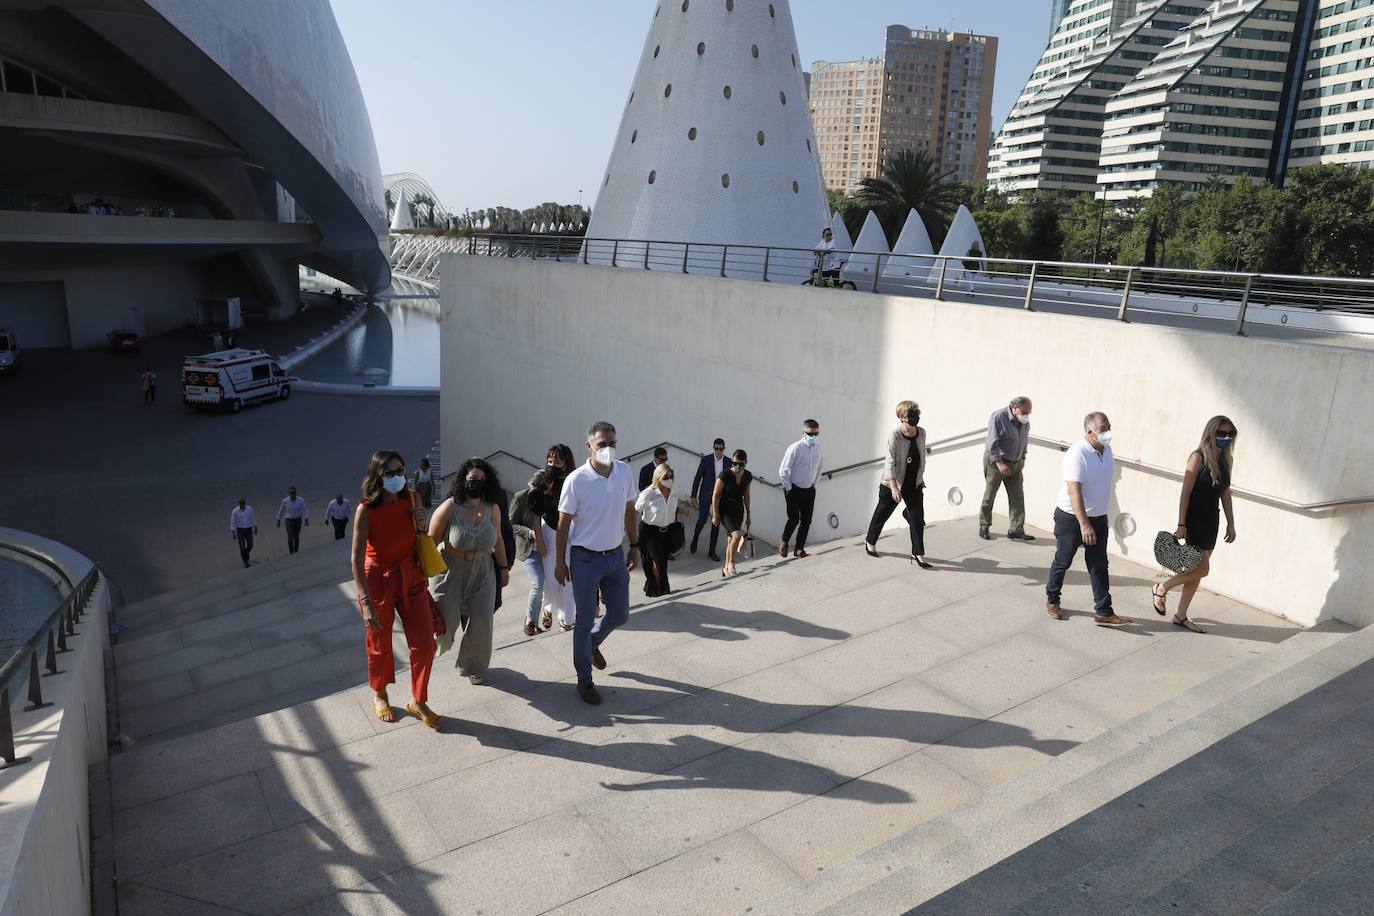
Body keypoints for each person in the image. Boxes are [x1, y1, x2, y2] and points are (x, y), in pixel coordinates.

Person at [350, 450, 438, 728]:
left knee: (425, 643)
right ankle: (380, 694)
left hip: (410, 574)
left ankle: (418, 699)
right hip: (378, 579)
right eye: (390, 473)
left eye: (401, 471)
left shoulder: (412, 498)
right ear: (377, 476)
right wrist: (365, 602)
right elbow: (355, 558)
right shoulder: (366, 509)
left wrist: (421, 524)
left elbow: (420, 538)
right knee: (379, 644)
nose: (398, 477)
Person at [554, 421, 638, 705]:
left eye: (612, 443)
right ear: (589, 446)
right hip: (585, 559)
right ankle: (584, 679)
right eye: (602, 444)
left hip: (614, 556)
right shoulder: (576, 480)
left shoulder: (624, 471)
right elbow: (563, 524)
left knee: (620, 614)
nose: (608, 448)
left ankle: (591, 645)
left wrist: (634, 546)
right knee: (584, 619)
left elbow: (629, 510)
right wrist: (560, 562)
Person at [1045, 413, 1132, 627]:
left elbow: (1105, 484)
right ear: (1090, 431)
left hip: (1099, 518)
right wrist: (1084, 524)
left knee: (1099, 565)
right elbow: (1074, 492)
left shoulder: (1107, 450)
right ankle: (1052, 599)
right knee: (1063, 561)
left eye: (1109, 426)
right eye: (1104, 428)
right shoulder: (1076, 454)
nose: (1108, 431)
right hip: (1071, 519)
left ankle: (1104, 612)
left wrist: (1101, 516)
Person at [1152, 416, 1238, 634]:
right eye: (1221, 434)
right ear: (1211, 433)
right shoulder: (1198, 458)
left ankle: (1181, 616)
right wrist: (1181, 524)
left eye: (1230, 434)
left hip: (1212, 519)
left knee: (1197, 570)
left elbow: (1225, 494)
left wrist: (1231, 523)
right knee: (1202, 568)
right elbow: (1185, 492)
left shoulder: (1227, 460)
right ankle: (1162, 588)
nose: (1226, 438)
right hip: (1195, 519)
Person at [428, 458, 509, 685]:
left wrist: (503, 568)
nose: (477, 484)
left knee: (483, 621)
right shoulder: (449, 507)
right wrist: (421, 574)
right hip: (450, 569)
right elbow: (430, 543)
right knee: (446, 622)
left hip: (483, 570)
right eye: (473, 479)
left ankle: (473, 666)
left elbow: (499, 540)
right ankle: (434, 649)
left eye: (482, 480)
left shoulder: (492, 508)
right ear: (464, 480)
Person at [864, 400, 933, 568]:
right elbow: (890, 462)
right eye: (912, 414)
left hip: (914, 483)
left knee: (917, 518)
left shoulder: (922, 433)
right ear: (902, 418)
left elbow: (920, 455)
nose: (916, 416)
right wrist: (894, 487)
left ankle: (918, 553)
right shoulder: (895, 436)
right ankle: (870, 542)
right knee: (882, 514)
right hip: (893, 483)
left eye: (917, 413)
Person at [534, 444, 577, 631]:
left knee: (568, 578)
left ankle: (566, 617)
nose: (553, 464)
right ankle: (548, 607)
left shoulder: (575, 479)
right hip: (550, 532)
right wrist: (539, 540)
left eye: (558, 460)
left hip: (572, 533)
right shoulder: (543, 481)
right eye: (550, 460)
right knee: (551, 580)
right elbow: (535, 513)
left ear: (566, 461)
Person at [980, 396, 1035, 541]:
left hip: (1015, 464)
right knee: (990, 495)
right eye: (1024, 412)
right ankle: (984, 525)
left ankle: (1016, 530)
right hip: (996, 463)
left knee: (1017, 496)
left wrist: (1023, 457)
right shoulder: (998, 417)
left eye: (1029, 413)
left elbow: (1024, 440)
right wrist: (1000, 463)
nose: (1026, 416)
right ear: (1014, 408)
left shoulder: (1024, 421)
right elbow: (991, 443)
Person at [636, 463, 684, 597]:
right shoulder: (649, 493)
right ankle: (661, 589)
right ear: (658, 477)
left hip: (666, 531)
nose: (669, 479)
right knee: (659, 562)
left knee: (662, 563)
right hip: (649, 531)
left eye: (671, 476)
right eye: (666, 477)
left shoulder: (674, 491)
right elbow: (636, 510)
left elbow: (672, 508)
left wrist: (683, 511)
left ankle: (653, 587)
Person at [779, 419, 824, 558]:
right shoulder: (795, 448)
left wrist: (814, 485)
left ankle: (799, 549)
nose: (813, 437)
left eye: (816, 434)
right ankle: (784, 540)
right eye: (810, 434)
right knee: (793, 519)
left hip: (809, 490)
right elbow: (783, 470)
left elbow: (820, 467)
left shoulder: (818, 448)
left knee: (807, 521)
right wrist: (788, 487)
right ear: (803, 433)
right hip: (794, 489)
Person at [511, 472, 548, 637]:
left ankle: (538, 618)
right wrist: (529, 532)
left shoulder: (549, 498)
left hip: (547, 549)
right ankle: (530, 621)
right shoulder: (520, 497)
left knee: (546, 584)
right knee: (538, 582)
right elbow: (511, 524)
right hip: (528, 549)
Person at [711, 449, 753, 578]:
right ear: (732, 461)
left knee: (731, 540)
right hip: (725, 508)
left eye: (741, 464)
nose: (737, 466)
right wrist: (715, 513)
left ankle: (725, 568)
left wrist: (749, 513)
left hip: (738, 509)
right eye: (735, 463)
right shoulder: (724, 475)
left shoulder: (747, 475)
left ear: (745, 463)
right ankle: (732, 563)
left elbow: (746, 495)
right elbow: (716, 495)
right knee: (736, 535)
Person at [690, 438, 727, 560]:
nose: (718, 451)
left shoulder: (728, 462)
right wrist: (693, 496)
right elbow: (697, 478)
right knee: (702, 519)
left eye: (721, 449)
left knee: (715, 523)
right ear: (713, 448)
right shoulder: (706, 460)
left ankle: (712, 551)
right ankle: (695, 538)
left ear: (724, 449)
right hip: (706, 494)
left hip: (720, 497)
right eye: (716, 448)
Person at [276, 486, 309, 554]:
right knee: (290, 537)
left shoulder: (301, 500)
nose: (293, 494)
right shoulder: (285, 501)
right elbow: (281, 510)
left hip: (298, 520)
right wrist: (278, 519)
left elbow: (305, 509)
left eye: (294, 492)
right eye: (291, 492)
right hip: (289, 521)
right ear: (289, 493)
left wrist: (306, 519)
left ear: (296, 493)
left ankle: (296, 550)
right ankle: (291, 552)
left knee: (296, 537)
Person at [230, 498, 257, 568]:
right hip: (240, 531)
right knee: (242, 548)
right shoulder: (235, 511)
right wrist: (233, 532)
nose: (243, 505)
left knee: (250, 545)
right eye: (241, 504)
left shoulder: (249, 509)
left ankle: (246, 553)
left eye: (244, 504)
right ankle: (245, 561)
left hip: (249, 529)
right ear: (239, 504)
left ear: (245, 503)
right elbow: (233, 522)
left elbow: (253, 517)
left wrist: (255, 526)